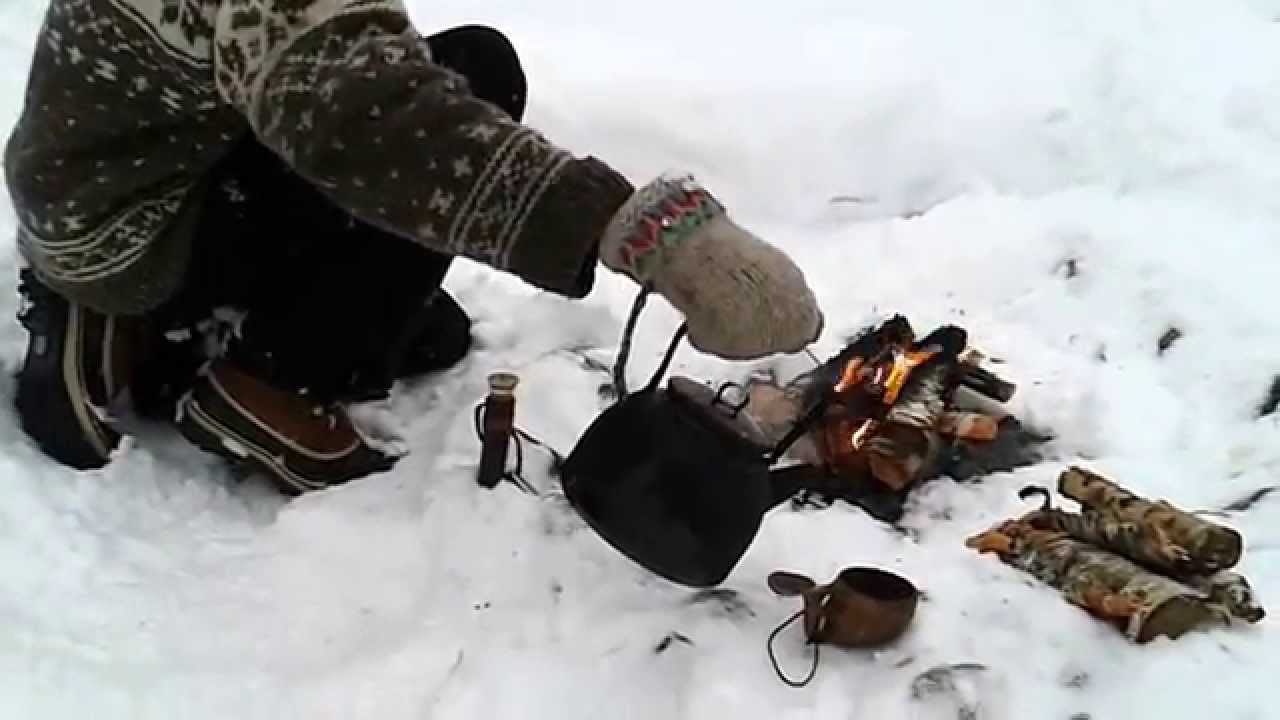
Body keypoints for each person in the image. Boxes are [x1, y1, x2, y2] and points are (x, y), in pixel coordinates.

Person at [3, 0, 824, 494]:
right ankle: (264, 388)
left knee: (425, 335)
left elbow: (307, 71)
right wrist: (652, 236)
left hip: (107, 176)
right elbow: (379, 126)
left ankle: (129, 326)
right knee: (477, 70)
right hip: (133, 220)